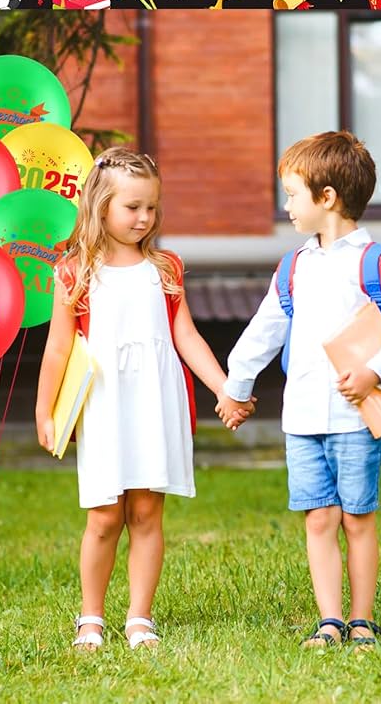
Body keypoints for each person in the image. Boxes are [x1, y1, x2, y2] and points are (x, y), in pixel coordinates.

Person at [216, 131, 381, 651]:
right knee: (318, 517)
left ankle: (362, 621)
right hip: (303, 421)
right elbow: (264, 331)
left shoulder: (378, 265)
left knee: (357, 518)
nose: (286, 205)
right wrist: (235, 388)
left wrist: (375, 371)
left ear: (326, 197)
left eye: (292, 194)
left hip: (356, 419)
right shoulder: (294, 267)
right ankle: (330, 621)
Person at [35, 148, 232, 652]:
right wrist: (45, 409)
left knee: (147, 512)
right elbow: (59, 346)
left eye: (151, 208)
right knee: (103, 516)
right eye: (132, 208)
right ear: (101, 206)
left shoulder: (165, 267)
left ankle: (140, 617)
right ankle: (91, 617)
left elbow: (185, 335)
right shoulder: (75, 271)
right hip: (103, 404)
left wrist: (222, 385)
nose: (144, 218)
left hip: (154, 400)